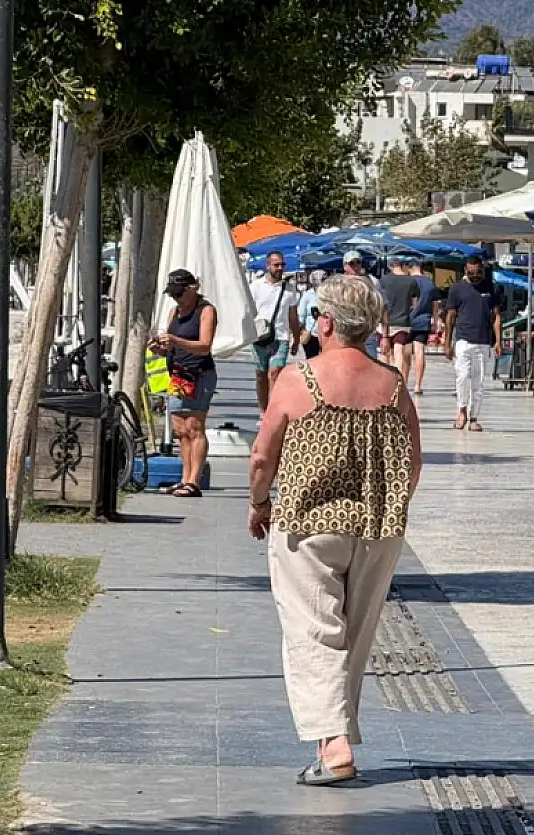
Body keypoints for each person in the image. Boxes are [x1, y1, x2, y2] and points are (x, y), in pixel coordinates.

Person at [248, 274, 421, 786]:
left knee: (313, 632)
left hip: (308, 524)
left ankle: (335, 744)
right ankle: (334, 740)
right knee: (357, 634)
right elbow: (412, 457)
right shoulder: (392, 384)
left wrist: (260, 503)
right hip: (377, 528)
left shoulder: (299, 380)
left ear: (325, 322)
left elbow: (262, 455)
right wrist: (393, 504)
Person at [153, 269, 219, 498]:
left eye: (179, 294)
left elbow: (204, 346)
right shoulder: (174, 312)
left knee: (194, 427)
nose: (176, 298)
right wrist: (161, 348)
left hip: (199, 374)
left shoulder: (206, 310)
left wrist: (175, 340)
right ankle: (184, 479)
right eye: (173, 294)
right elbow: (171, 346)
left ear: (192, 289)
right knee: (180, 431)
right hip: (178, 375)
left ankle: (194, 481)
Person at [443, 256, 502, 431]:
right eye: (471, 273)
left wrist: (498, 341)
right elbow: (450, 316)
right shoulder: (457, 289)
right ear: (465, 271)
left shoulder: (491, 287)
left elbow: (496, 316)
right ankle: (461, 411)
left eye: (477, 273)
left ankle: (474, 417)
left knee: (478, 381)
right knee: (462, 377)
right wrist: (447, 342)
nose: (474, 276)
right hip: (463, 339)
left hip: (483, 341)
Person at [248, 250, 301, 411]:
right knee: (261, 375)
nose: (280, 268)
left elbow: (293, 316)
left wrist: (296, 339)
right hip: (259, 337)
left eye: (282, 265)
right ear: (267, 266)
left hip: (281, 337)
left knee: (275, 373)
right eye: (276, 265)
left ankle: (273, 411)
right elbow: (248, 312)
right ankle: (263, 411)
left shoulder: (290, 290)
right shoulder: (255, 287)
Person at [379, 256, 421, 383]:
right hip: (403, 321)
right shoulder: (411, 281)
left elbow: (380, 302)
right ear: (401, 265)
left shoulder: (384, 280)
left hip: (386, 321)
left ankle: (385, 381)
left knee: (385, 353)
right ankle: (399, 383)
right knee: (399, 352)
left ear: (390, 266)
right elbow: (415, 304)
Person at [343, 251, 382, 359]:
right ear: (345, 266)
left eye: (358, 262)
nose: (355, 266)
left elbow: (382, 305)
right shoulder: (340, 283)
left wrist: (386, 334)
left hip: (367, 332)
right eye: (352, 263)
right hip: (347, 332)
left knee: (371, 366)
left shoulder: (372, 281)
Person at [409, 262, 439, 395]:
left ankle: (402, 381)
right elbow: (435, 305)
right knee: (419, 351)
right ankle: (417, 385)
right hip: (424, 320)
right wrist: (436, 322)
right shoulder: (430, 283)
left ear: (410, 268)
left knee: (403, 353)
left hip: (407, 320)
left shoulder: (408, 281)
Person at [296, 269, 327, 360]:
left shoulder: (329, 294)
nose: (325, 281)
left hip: (326, 334)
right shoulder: (308, 295)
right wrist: (299, 332)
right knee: (312, 360)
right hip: (311, 334)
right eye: (323, 279)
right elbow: (301, 315)